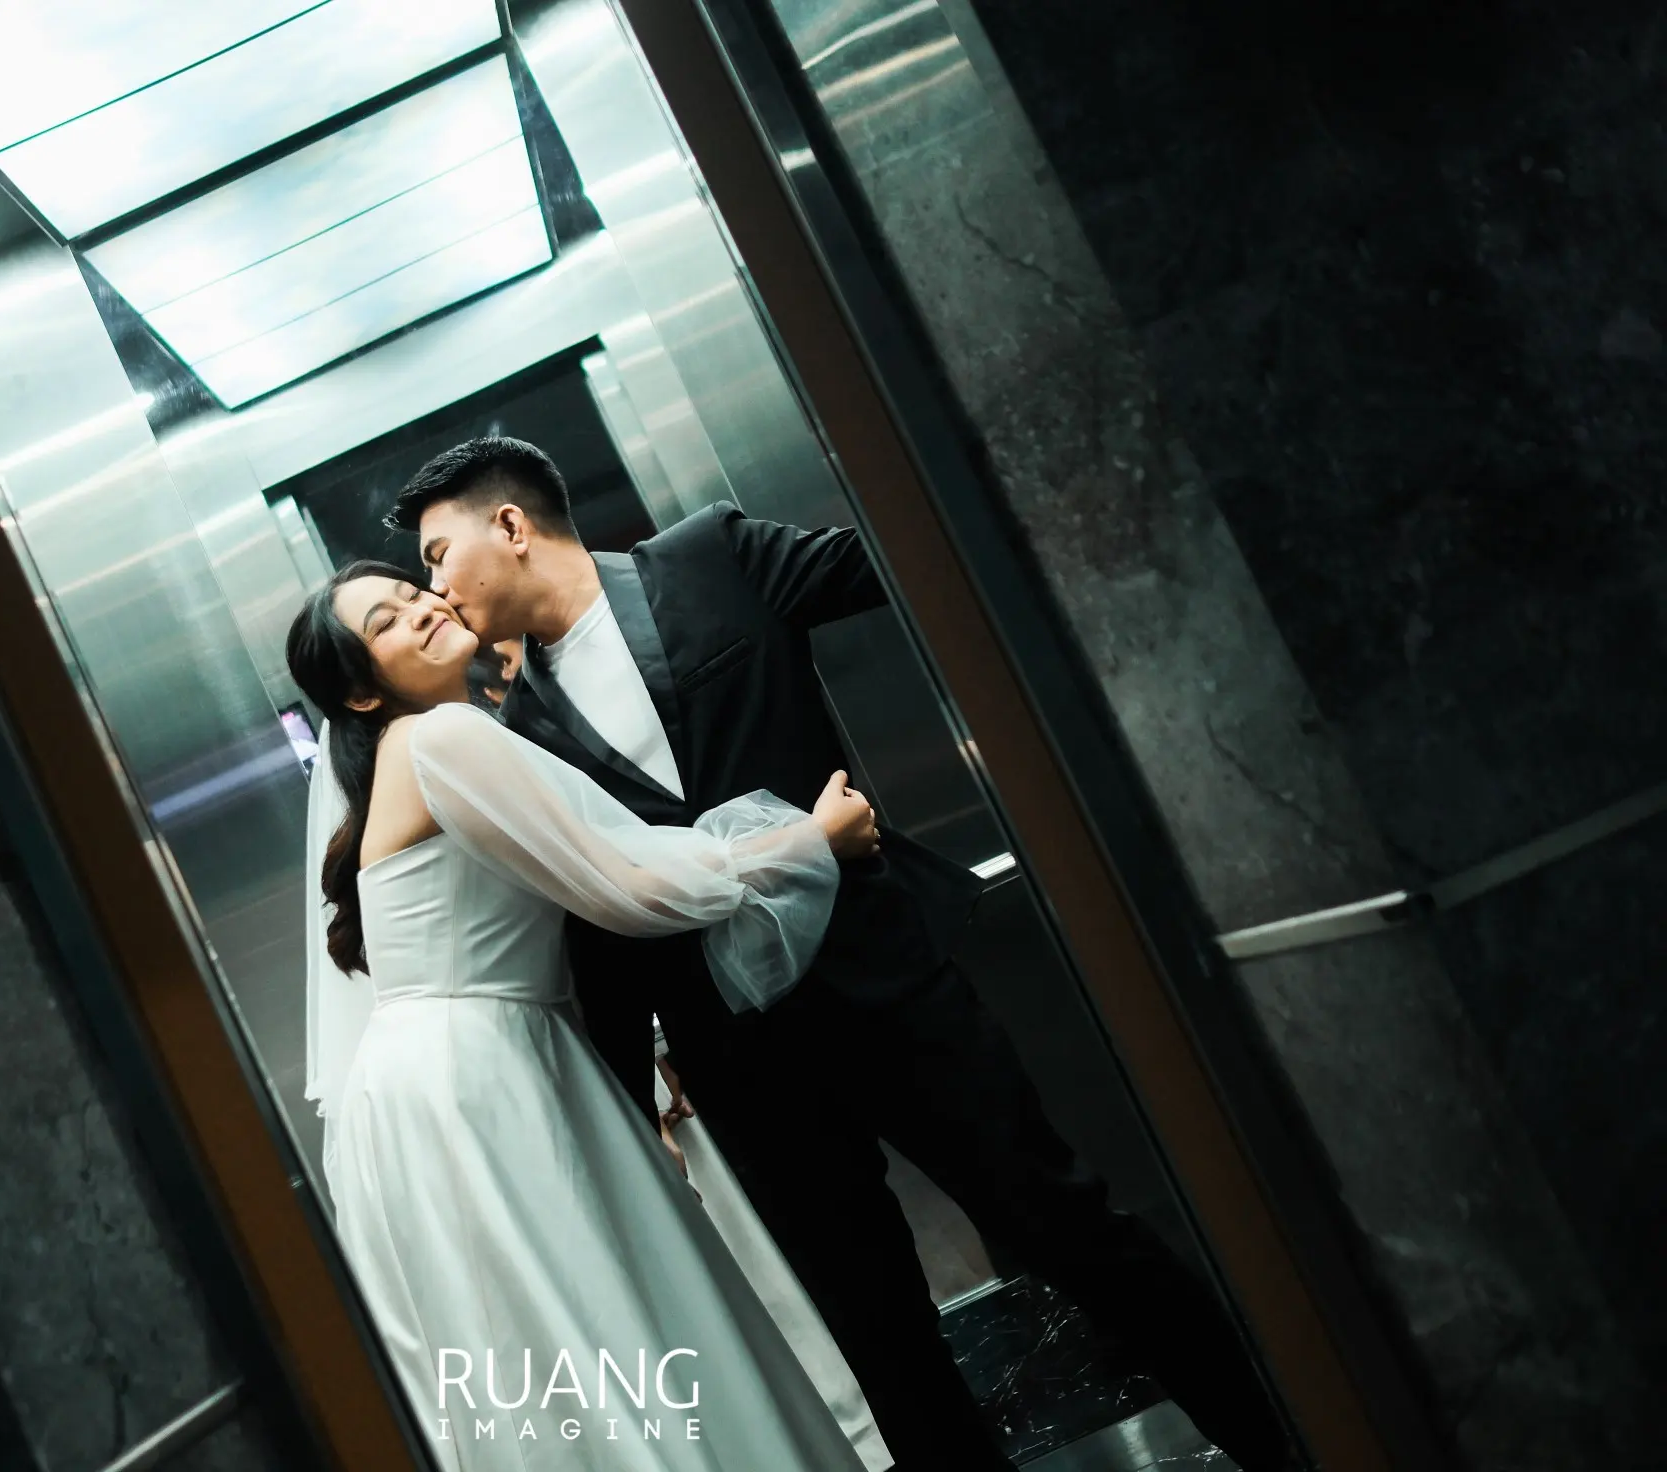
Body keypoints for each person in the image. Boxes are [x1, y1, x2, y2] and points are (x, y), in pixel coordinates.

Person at [391, 436, 1301, 1472]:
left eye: (437, 554)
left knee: (1066, 1222)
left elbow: (904, 557)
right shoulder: (517, 732)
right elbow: (600, 932)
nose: (437, 585)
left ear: (511, 526)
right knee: (881, 1334)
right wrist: (635, 1120)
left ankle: (1286, 1436)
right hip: (742, 1061)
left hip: (887, 988)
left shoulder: (712, 559)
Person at [287, 559, 877, 1471]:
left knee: (563, 1350)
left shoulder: (433, 743)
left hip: (448, 1075)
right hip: (472, 1077)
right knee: (597, 1327)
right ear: (362, 693)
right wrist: (808, 842)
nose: (424, 608)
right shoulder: (441, 737)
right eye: (388, 622)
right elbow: (624, 888)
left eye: (413, 593)